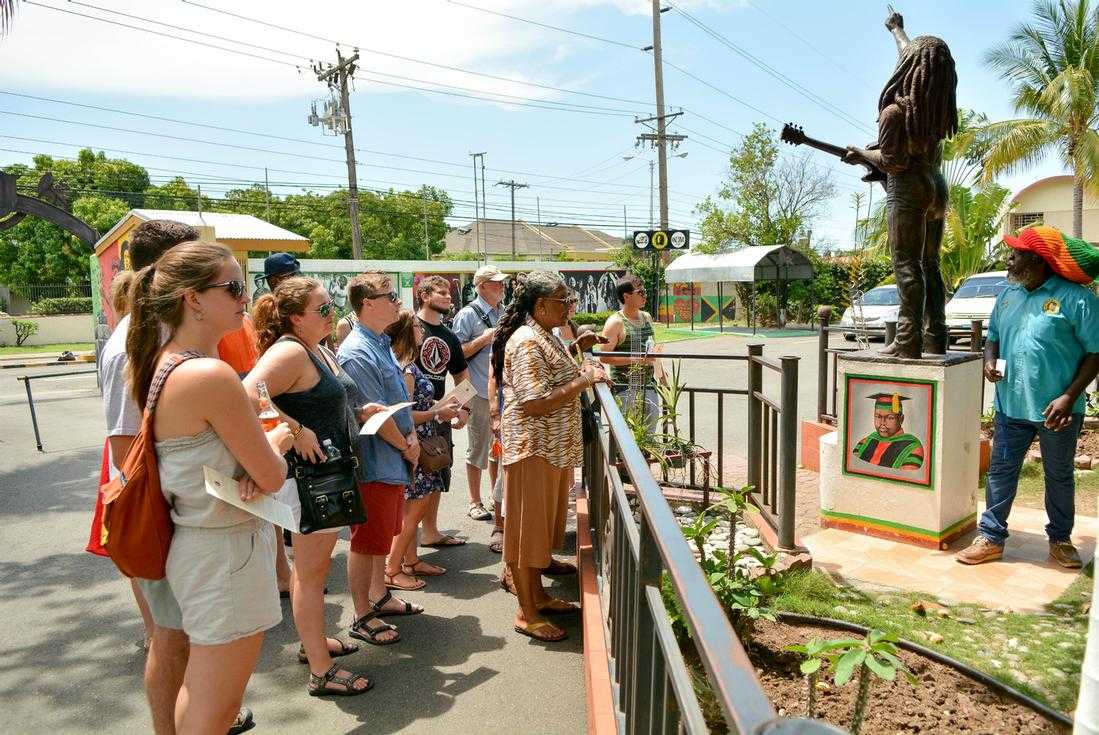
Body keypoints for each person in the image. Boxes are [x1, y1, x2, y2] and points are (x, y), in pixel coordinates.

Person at [126, 240, 293, 732]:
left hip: (204, 545)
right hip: (224, 552)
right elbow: (272, 474)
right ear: (192, 299)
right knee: (212, 709)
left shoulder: (164, 362)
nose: (247, 296)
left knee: (206, 701)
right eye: (234, 287)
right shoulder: (207, 373)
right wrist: (281, 437)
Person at [246, 277, 381, 697]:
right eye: (323, 307)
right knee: (311, 575)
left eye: (331, 303)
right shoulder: (289, 350)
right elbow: (247, 396)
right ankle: (321, 671)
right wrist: (295, 427)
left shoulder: (313, 348)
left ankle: (315, 644)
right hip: (310, 482)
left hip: (327, 477)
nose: (332, 311)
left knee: (314, 573)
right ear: (295, 317)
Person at [957, 226, 1099, 567]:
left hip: (1058, 410)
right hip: (1011, 405)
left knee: (1059, 475)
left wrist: (1069, 397)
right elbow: (993, 336)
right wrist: (990, 360)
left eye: (1016, 253)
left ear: (1037, 261)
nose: (1009, 258)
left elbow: (1096, 352)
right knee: (1001, 472)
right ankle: (990, 538)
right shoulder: (1009, 294)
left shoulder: (1078, 299)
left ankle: (1061, 540)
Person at [491, 271, 611, 642]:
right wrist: (585, 378)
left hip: (550, 449)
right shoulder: (527, 340)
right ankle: (527, 613)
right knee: (527, 535)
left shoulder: (543, 334)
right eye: (563, 301)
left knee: (539, 531)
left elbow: (552, 378)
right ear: (540, 305)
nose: (569, 307)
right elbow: (534, 401)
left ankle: (538, 596)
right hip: (533, 448)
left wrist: (578, 352)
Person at [841, 11, 955, 359]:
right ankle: (935, 335)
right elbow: (909, 53)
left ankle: (906, 340)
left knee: (907, 265)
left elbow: (893, 163)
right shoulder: (933, 116)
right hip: (936, 186)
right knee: (930, 265)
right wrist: (898, 30)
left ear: (910, 69)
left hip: (908, 190)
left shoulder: (895, 113)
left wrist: (861, 153)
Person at [337, 272, 424, 646]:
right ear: (367, 304)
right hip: (375, 460)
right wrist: (406, 445)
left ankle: (379, 595)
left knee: (379, 538)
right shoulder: (358, 350)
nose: (396, 302)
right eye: (389, 296)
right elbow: (372, 413)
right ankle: (362, 613)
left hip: (392, 457)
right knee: (366, 540)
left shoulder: (380, 342)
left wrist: (412, 437)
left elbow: (396, 404)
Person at [385, 311, 463, 587]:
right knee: (415, 508)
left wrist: (438, 410)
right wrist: (437, 411)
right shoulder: (406, 368)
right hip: (414, 444)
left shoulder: (407, 364)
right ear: (407, 331)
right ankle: (393, 568)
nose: (423, 331)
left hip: (418, 440)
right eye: (418, 327)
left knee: (414, 506)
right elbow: (404, 415)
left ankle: (410, 560)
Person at [414, 275, 471, 547]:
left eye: (449, 293)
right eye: (441, 292)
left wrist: (463, 406)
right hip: (411, 414)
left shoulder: (448, 335)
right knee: (410, 480)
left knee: (437, 470)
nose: (448, 297)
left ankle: (430, 530)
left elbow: (462, 376)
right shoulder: (408, 328)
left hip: (439, 415)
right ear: (425, 296)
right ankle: (401, 545)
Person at [452, 265, 507, 522]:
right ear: (481, 286)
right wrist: (484, 339)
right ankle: (474, 501)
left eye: (502, 283)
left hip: (499, 390)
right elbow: (456, 355)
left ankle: (497, 499)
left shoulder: (503, 312)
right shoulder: (467, 315)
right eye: (496, 283)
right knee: (478, 448)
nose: (502, 287)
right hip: (475, 390)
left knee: (497, 447)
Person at [599, 275, 660, 432]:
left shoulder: (647, 317)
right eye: (640, 292)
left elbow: (653, 352)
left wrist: (663, 378)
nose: (645, 294)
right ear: (626, 296)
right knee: (626, 438)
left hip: (648, 386)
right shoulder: (616, 322)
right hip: (625, 388)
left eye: (645, 290)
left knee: (649, 435)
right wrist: (638, 360)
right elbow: (604, 356)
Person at [851, 393, 924, 470]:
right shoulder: (864, 443)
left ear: (901, 419)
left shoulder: (913, 448)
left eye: (890, 418)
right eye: (878, 416)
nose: (882, 423)